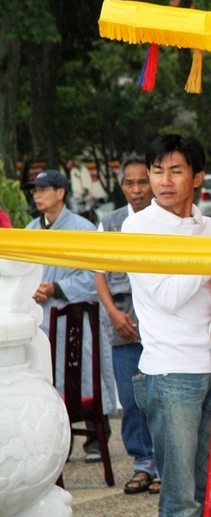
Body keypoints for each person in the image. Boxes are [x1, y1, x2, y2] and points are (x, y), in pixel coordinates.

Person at [122, 135, 211, 516]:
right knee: (180, 501)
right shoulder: (138, 229)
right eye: (158, 171)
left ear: (198, 177)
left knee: (210, 494)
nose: (165, 181)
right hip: (169, 372)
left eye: (176, 170)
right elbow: (167, 296)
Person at [24, 169, 117, 463]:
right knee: (47, 377)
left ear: (60, 192)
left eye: (43, 189)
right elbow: (21, 271)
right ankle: (55, 444)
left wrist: (56, 288)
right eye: (35, 190)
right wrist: (30, 289)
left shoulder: (83, 229)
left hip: (76, 317)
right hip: (41, 318)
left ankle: (96, 438)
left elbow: (95, 277)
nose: (37, 195)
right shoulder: (30, 230)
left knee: (85, 374)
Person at [94, 158, 159, 494]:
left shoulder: (164, 219)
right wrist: (112, 313)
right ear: (122, 187)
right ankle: (142, 464)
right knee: (132, 397)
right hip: (124, 322)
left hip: (158, 322)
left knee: (160, 395)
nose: (136, 190)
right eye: (129, 183)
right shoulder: (110, 223)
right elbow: (99, 273)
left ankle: (164, 465)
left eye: (142, 182)